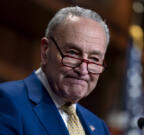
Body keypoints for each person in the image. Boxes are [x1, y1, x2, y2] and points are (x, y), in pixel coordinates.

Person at [0, 6, 110, 135]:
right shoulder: (7, 100)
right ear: (45, 50)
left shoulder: (99, 127)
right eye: (73, 53)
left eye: (94, 59)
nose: (83, 69)